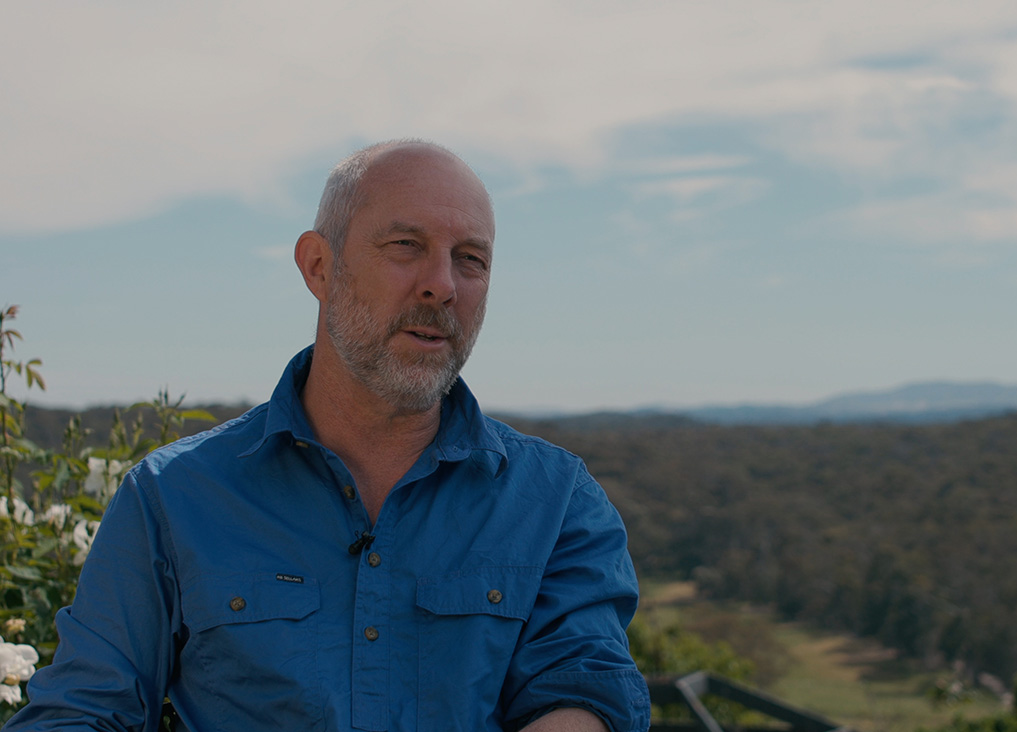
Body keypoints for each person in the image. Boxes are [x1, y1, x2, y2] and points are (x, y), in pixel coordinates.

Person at [8, 141, 650, 731]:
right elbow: (83, 710)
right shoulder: (171, 498)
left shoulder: (557, 502)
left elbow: (585, 693)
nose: (442, 284)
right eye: (405, 245)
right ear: (319, 266)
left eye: (470, 260)